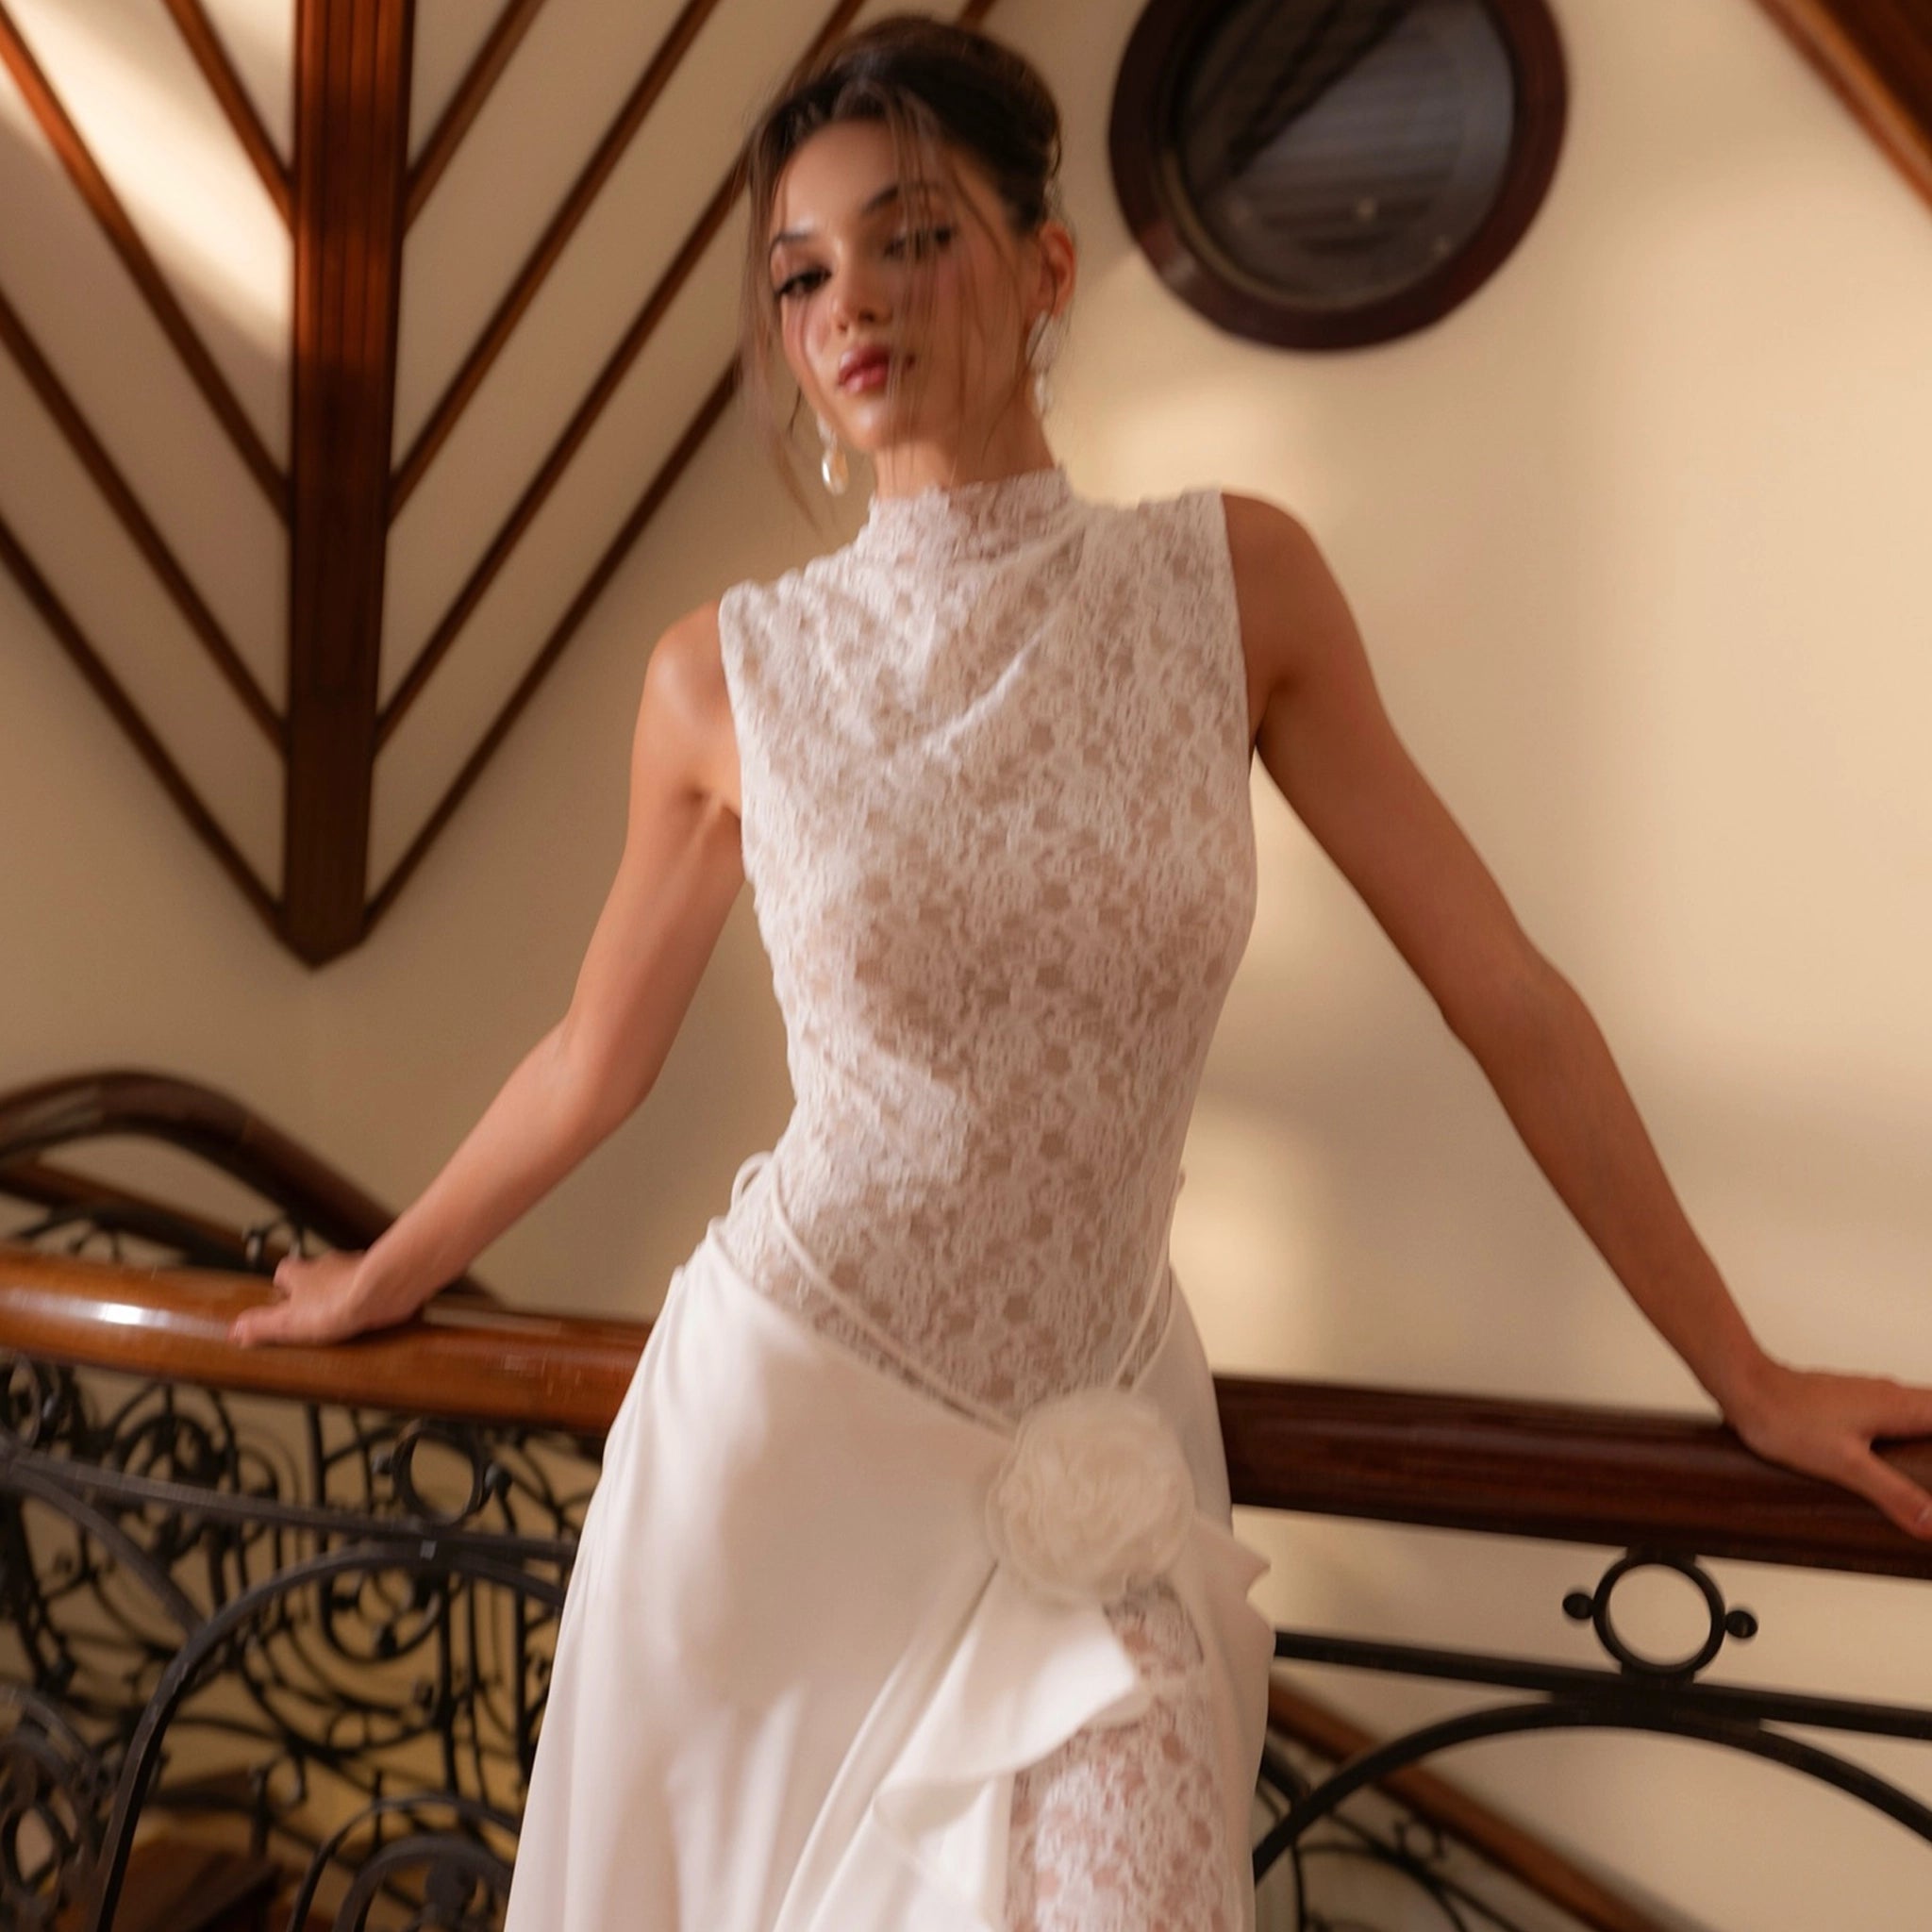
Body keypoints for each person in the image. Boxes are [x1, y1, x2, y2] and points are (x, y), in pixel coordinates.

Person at [228, 15, 1932, 1928]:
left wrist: (1744, 1368)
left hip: (1093, 1446)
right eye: (800, 275)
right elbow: (586, 1061)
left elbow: (1504, 994)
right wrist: (377, 1276)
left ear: (1047, 266)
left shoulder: (1237, 589)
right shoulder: (726, 676)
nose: (849, 303)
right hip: (787, 1446)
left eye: (909, 237)